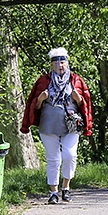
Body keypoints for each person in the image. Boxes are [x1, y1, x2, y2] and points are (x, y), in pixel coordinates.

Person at [21, 47, 93, 204]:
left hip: (71, 125)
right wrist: (40, 99)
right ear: (52, 65)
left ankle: (66, 188)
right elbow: (34, 106)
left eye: (63, 61)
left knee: (70, 155)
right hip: (49, 124)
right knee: (53, 159)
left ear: (67, 63)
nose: (60, 65)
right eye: (57, 62)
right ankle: (53, 192)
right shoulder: (43, 81)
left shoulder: (76, 80)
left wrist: (78, 98)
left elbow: (85, 104)